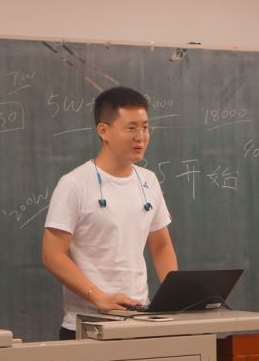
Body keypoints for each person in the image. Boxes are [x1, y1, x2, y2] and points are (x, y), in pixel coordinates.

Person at [42, 86, 178, 340]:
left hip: (140, 320)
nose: (141, 137)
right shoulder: (75, 184)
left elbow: (161, 245)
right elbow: (52, 255)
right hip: (88, 325)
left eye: (145, 127)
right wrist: (98, 297)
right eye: (131, 128)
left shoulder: (148, 180)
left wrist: (176, 295)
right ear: (103, 131)